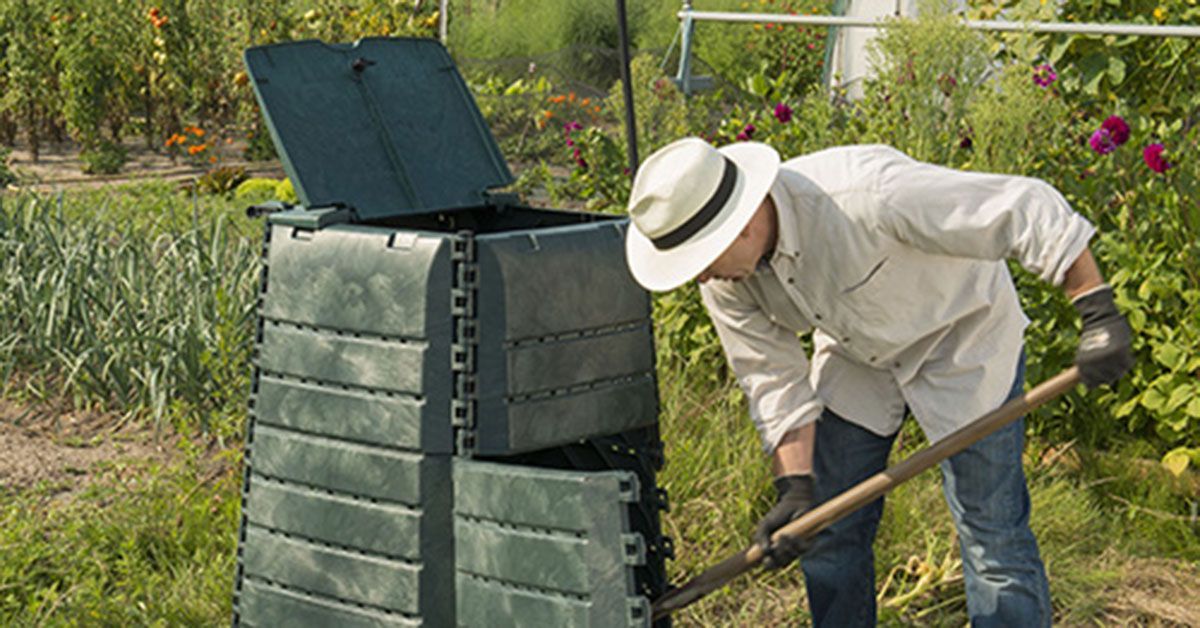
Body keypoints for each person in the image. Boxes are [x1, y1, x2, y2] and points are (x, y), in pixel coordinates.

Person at [623, 137, 1133, 627]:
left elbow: (1023, 206)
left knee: (990, 538)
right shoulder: (727, 280)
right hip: (858, 355)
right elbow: (769, 377)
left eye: (700, 263)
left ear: (738, 227)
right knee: (825, 532)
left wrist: (1096, 310)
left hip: (962, 336)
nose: (699, 279)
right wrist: (796, 488)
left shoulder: (867, 195)